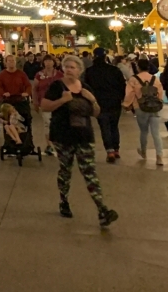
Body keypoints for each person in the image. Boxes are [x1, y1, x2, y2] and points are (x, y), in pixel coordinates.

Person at [40, 55, 117, 227]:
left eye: (72, 67)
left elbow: (96, 113)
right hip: (63, 136)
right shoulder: (56, 86)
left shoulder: (86, 89)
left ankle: (102, 209)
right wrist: (62, 100)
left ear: (80, 70)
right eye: (66, 67)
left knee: (90, 173)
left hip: (84, 136)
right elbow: (44, 106)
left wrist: (92, 100)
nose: (68, 70)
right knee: (65, 170)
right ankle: (64, 201)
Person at [83, 47, 126, 162]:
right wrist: (121, 98)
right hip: (114, 102)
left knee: (104, 126)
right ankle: (116, 149)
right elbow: (122, 85)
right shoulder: (114, 70)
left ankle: (110, 151)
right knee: (114, 126)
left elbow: (86, 87)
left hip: (99, 103)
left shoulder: (89, 71)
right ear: (105, 57)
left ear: (93, 57)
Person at [124, 57, 165, 166]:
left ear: (138, 67)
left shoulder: (133, 79)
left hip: (140, 107)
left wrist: (127, 105)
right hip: (155, 107)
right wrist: (159, 102)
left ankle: (143, 152)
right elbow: (160, 93)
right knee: (156, 133)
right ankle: (159, 156)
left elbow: (130, 94)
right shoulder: (155, 79)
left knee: (144, 131)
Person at [33, 55, 63, 156]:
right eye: (46, 61)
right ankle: (49, 144)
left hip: (58, 102)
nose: (48, 63)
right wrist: (35, 101)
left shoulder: (59, 74)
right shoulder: (39, 75)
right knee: (47, 123)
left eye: (50, 61)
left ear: (54, 62)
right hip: (44, 102)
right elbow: (35, 88)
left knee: (58, 124)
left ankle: (59, 143)